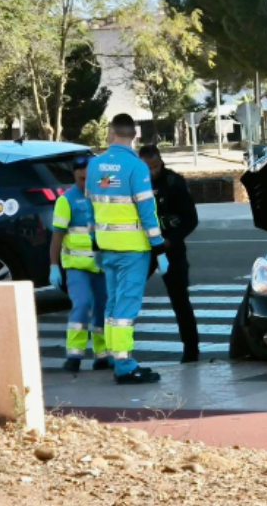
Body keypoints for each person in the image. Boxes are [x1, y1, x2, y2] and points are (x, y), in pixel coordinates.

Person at [87, 113, 168, 385]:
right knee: (126, 306)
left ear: (110, 133)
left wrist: (95, 242)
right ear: (135, 135)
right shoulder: (136, 168)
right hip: (133, 248)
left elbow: (91, 209)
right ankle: (124, 365)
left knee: (112, 303)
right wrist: (159, 248)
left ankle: (113, 355)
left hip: (106, 246)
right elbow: (147, 211)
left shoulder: (95, 166)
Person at [139, 144, 201, 363]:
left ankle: (191, 350)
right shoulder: (133, 183)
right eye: (148, 168)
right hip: (143, 249)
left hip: (170, 247)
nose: (153, 172)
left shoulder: (173, 182)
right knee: (129, 295)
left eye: (156, 166)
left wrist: (170, 241)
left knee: (180, 299)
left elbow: (191, 219)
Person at [49, 154, 110, 373]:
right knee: (82, 305)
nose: (85, 183)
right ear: (74, 176)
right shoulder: (67, 200)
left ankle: (102, 355)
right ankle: (74, 355)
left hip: (102, 266)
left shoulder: (104, 193)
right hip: (76, 267)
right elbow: (57, 236)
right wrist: (54, 266)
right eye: (81, 178)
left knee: (102, 309)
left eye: (88, 178)